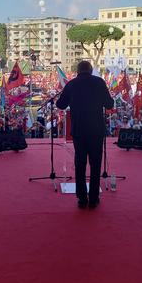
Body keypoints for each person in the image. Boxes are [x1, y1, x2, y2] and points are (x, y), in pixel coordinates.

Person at [56, 61, 114, 209]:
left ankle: (82, 198)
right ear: (90, 70)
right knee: (95, 164)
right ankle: (93, 199)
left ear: (78, 71)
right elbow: (109, 104)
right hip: (96, 130)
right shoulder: (99, 82)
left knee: (80, 164)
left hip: (79, 131)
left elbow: (60, 105)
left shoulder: (72, 84)